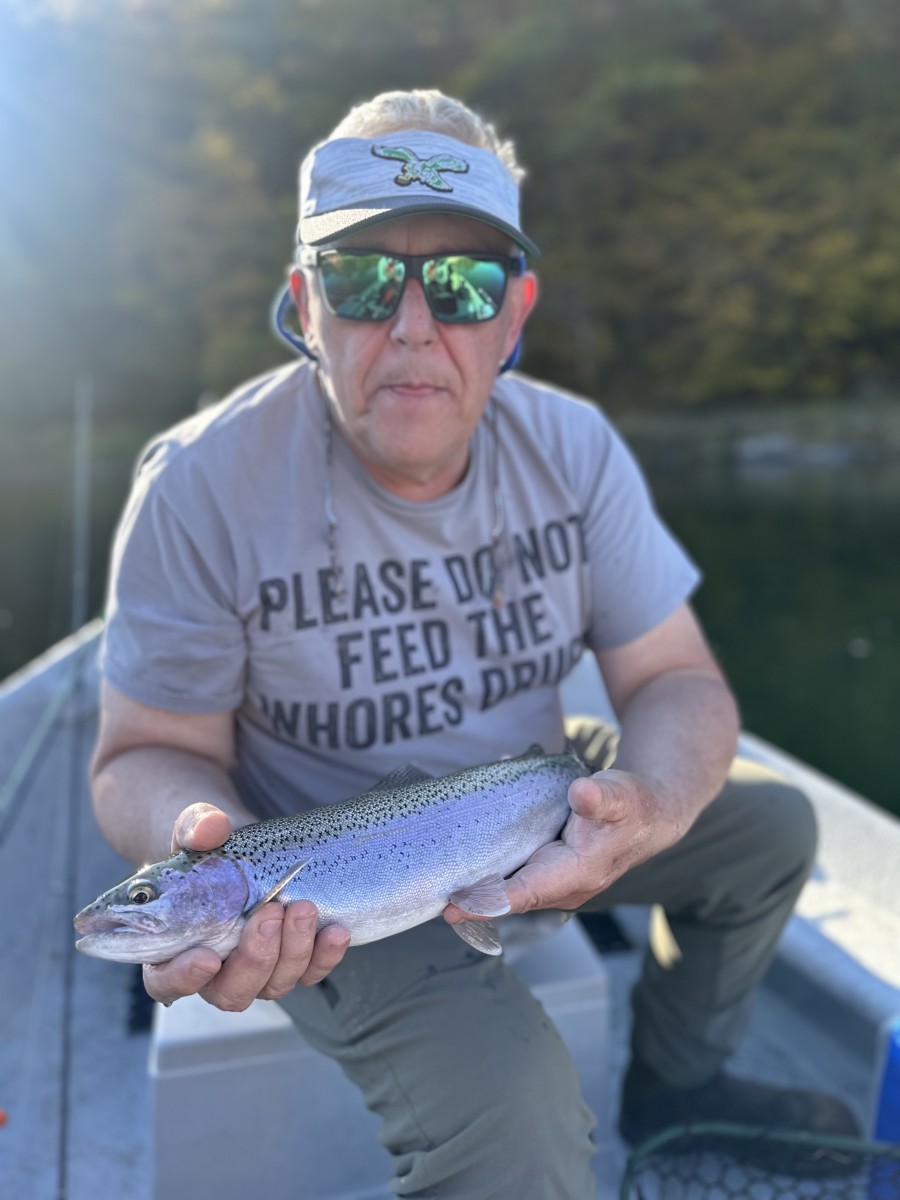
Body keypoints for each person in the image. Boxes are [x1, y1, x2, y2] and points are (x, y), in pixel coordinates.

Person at [90, 88, 859, 1197]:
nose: (412, 325)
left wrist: (641, 805)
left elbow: (677, 678)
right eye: (362, 280)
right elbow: (141, 752)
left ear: (515, 314)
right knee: (521, 1128)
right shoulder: (201, 485)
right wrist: (203, 843)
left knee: (769, 827)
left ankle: (677, 1086)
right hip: (332, 886)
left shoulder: (575, 445)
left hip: (534, 793)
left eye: (460, 283)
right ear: (307, 304)